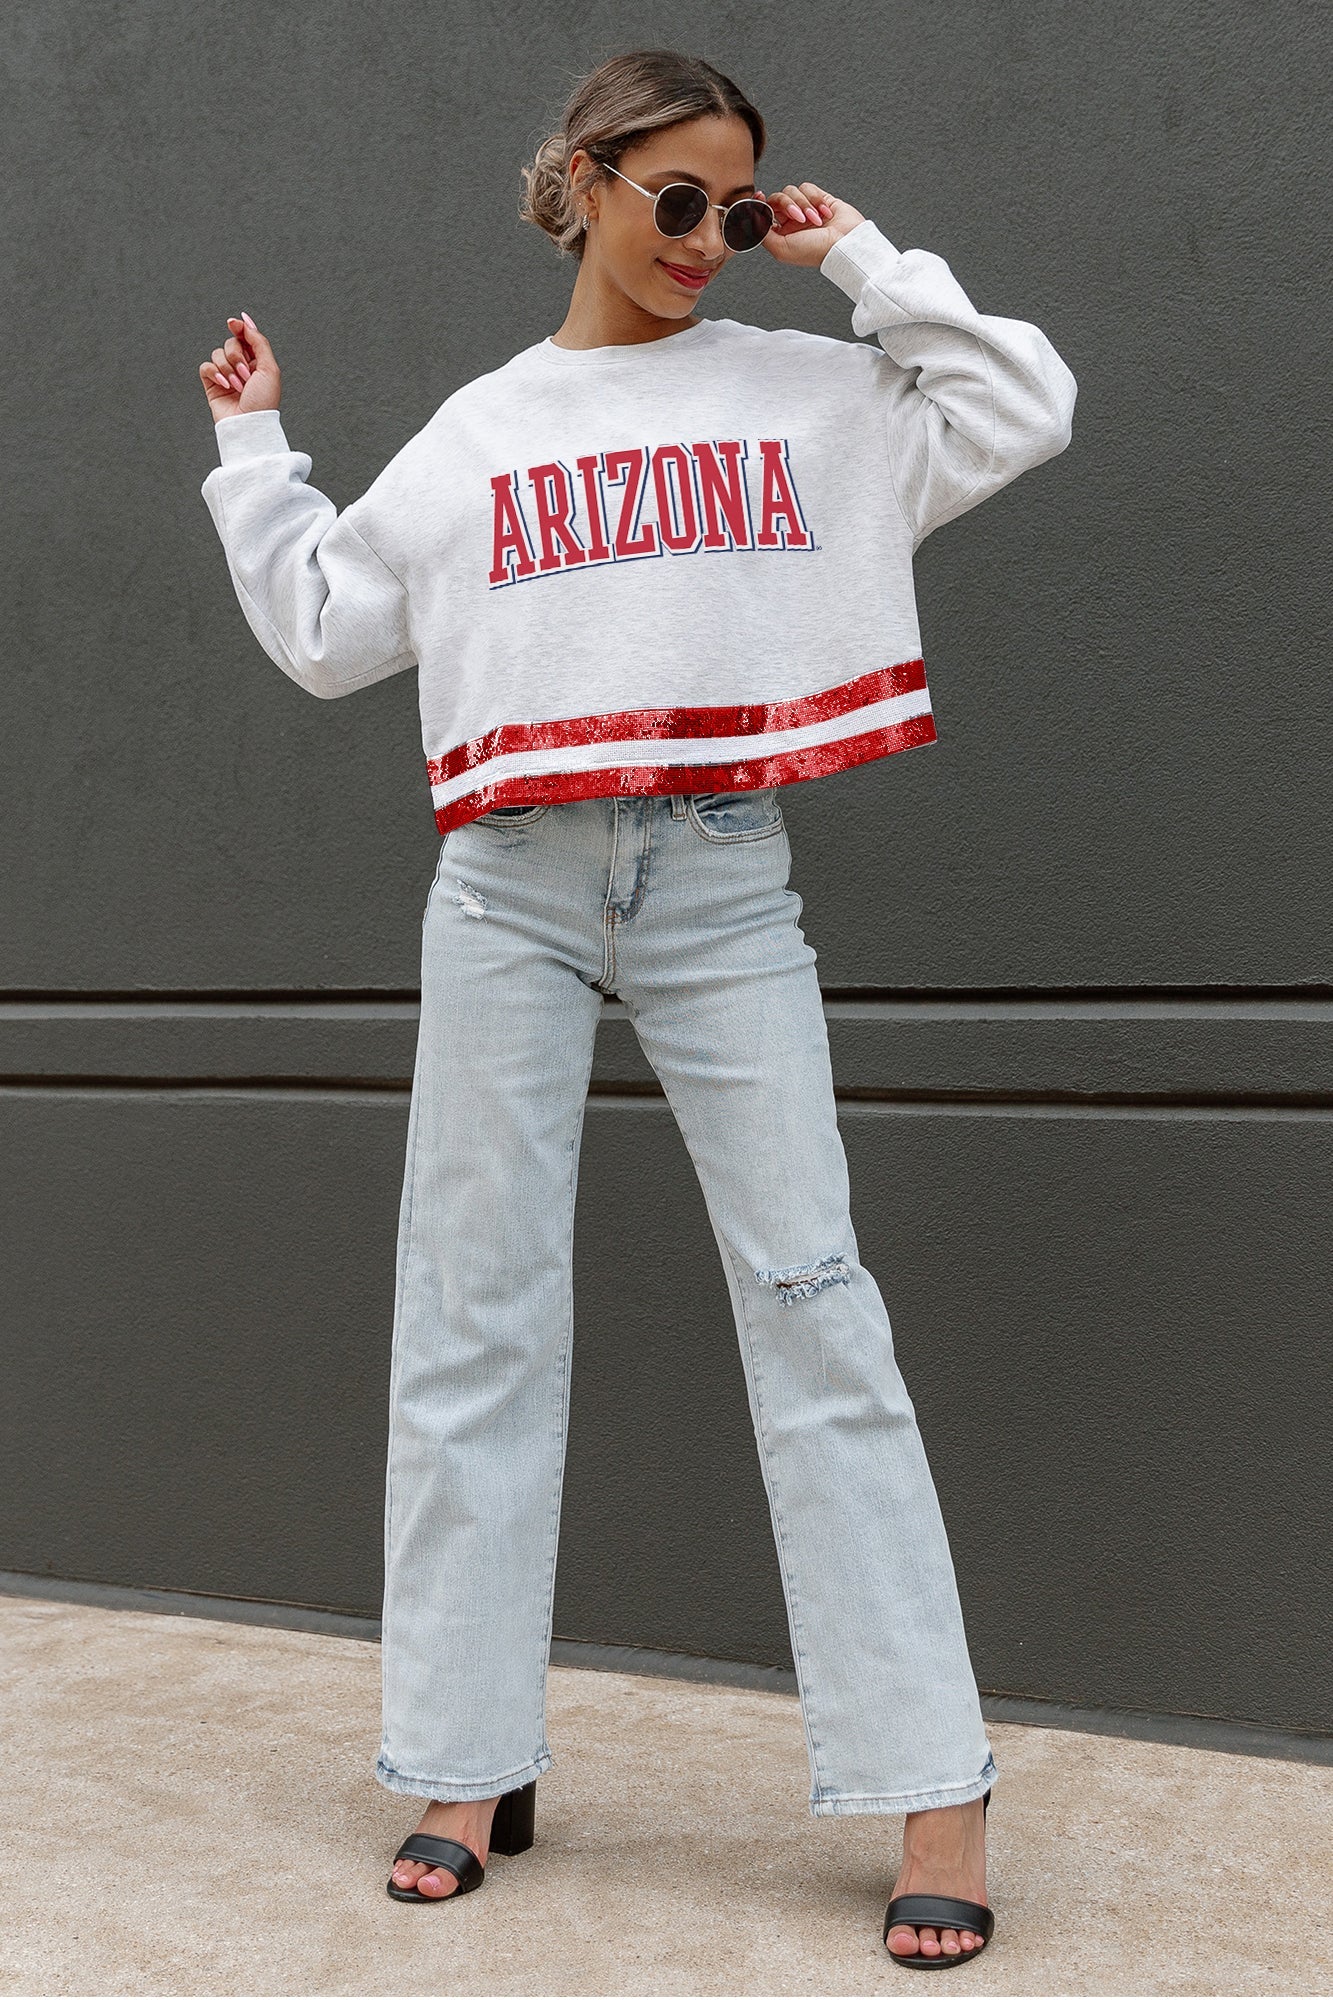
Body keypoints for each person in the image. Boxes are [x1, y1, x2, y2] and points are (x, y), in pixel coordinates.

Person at [198, 46, 1075, 1967]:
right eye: (674, 198)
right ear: (582, 184)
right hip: (507, 882)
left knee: (813, 1295)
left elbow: (1019, 400)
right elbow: (338, 633)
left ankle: (935, 1777)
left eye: (736, 205)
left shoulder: (813, 396)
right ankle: (464, 1757)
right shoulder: (485, 429)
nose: (706, 240)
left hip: (715, 870)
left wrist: (857, 265)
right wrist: (258, 459)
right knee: (472, 1306)